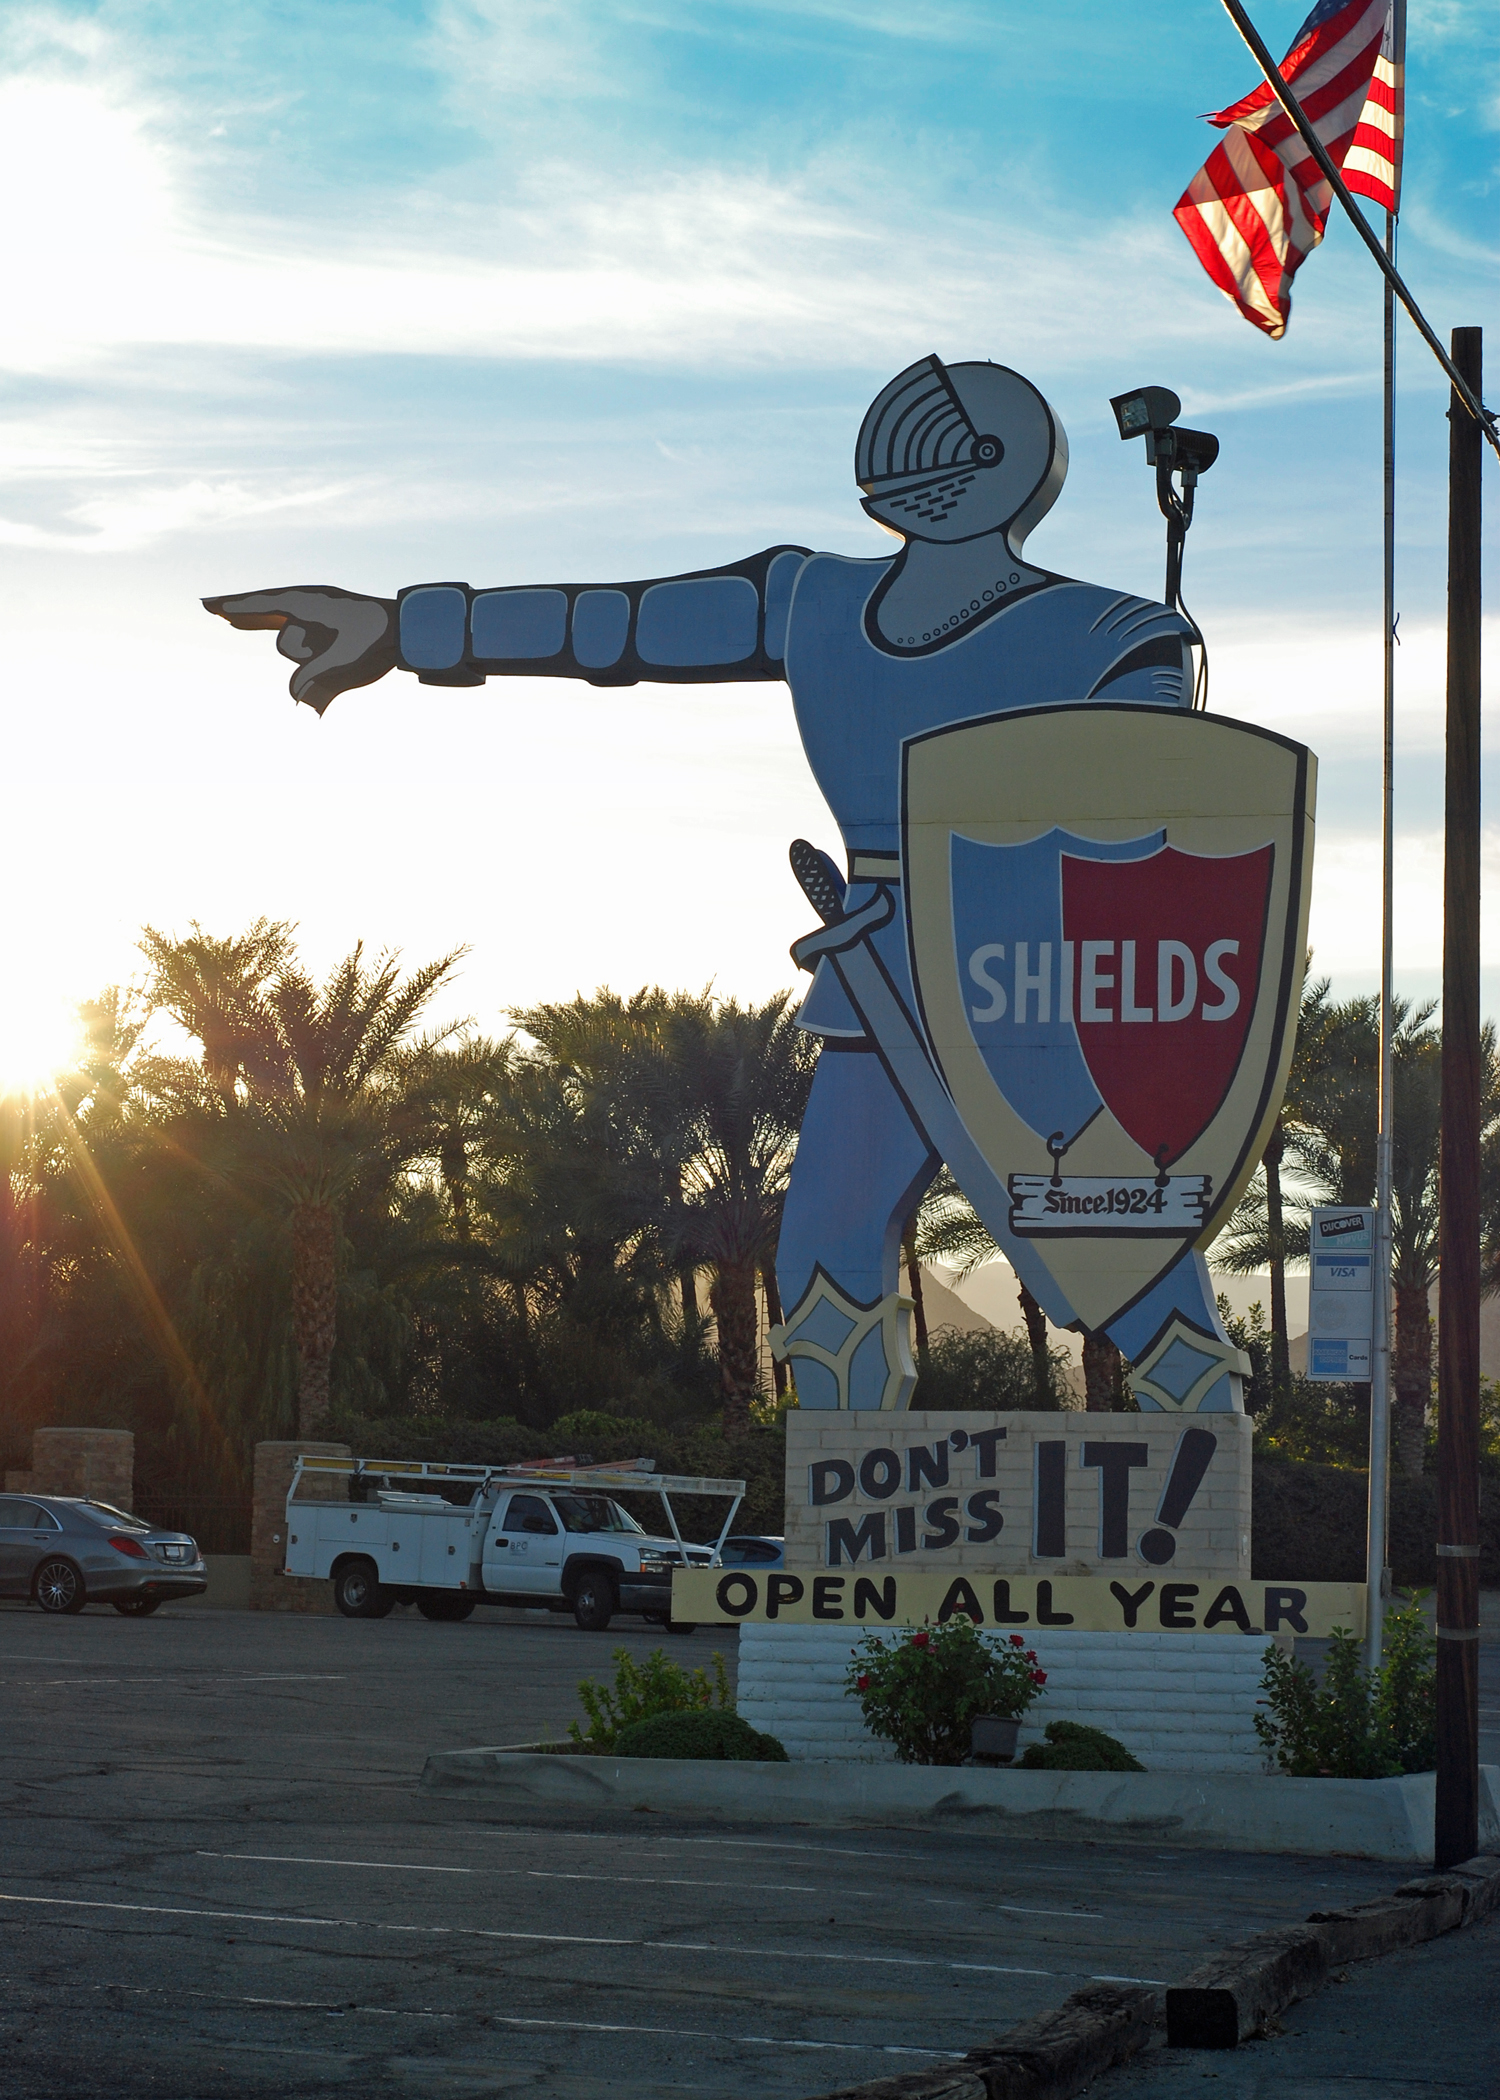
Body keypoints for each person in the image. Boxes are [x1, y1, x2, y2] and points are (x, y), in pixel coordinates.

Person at [208, 353, 1243, 1411]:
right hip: (874, 996)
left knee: (1133, 1255)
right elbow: (612, 624)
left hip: (1028, 1000)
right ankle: (854, 1525)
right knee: (829, 1272)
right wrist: (401, 625)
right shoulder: (817, 600)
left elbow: (1155, 822)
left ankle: (1197, 1468)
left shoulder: (1116, 634)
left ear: (1000, 466)